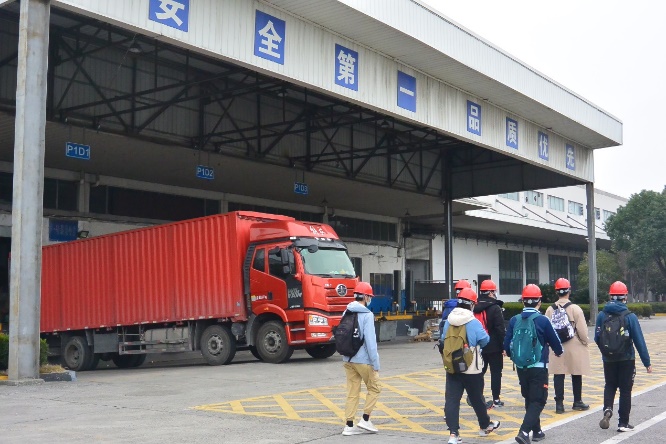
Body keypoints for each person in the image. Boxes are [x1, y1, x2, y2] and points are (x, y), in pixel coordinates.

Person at [504, 284, 563, 444]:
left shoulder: (514, 320)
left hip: (521, 367)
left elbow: (506, 345)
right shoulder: (543, 320)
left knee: (529, 398)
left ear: (523, 301)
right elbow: (557, 344)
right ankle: (524, 432)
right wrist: (558, 352)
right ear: (539, 301)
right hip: (538, 366)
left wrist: (514, 355)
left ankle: (537, 431)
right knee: (538, 400)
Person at [443, 287, 501, 444]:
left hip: (452, 366)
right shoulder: (473, 322)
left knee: (452, 400)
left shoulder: (449, 320)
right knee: (477, 398)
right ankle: (484, 426)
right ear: (472, 304)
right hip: (471, 367)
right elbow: (485, 339)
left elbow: (442, 339)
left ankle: (453, 434)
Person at [595, 281, 652, 433]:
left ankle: (608, 408)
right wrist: (647, 362)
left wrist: (606, 351)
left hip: (608, 359)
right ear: (625, 297)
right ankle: (623, 423)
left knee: (610, 385)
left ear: (610, 296)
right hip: (627, 358)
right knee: (625, 390)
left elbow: (597, 337)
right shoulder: (630, 316)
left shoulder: (602, 315)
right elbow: (639, 340)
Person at [544, 278, 591, 414]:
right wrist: (585, 342)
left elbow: (546, 329)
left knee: (558, 374)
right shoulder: (575, 309)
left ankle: (559, 404)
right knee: (576, 373)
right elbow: (582, 331)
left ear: (556, 292)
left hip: (557, 345)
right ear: (569, 291)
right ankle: (577, 401)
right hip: (574, 345)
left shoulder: (550, 309)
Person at [341, 281, 382, 436]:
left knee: (352, 392)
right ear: (365, 297)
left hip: (348, 359)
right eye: (369, 296)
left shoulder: (346, 312)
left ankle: (349, 425)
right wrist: (375, 363)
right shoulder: (367, 315)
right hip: (363, 360)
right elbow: (371, 343)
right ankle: (365, 419)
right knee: (375, 388)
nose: (370, 299)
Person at [473, 279, 506, 409]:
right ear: (491, 292)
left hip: (478, 345)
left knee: (479, 373)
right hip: (494, 347)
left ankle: (477, 398)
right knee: (496, 373)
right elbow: (500, 329)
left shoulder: (474, 306)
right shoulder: (495, 308)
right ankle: (496, 399)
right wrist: (504, 346)